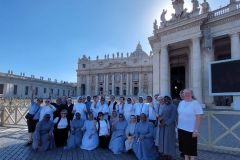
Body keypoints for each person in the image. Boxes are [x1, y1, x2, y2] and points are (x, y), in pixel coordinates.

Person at [177, 89, 203, 160]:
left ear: (191, 94)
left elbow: (199, 117)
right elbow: (180, 115)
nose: (186, 94)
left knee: (191, 149)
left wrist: (196, 130)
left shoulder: (195, 103)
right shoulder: (181, 103)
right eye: (185, 93)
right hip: (181, 128)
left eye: (188, 93)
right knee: (184, 148)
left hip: (191, 130)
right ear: (183, 94)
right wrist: (177, 127)